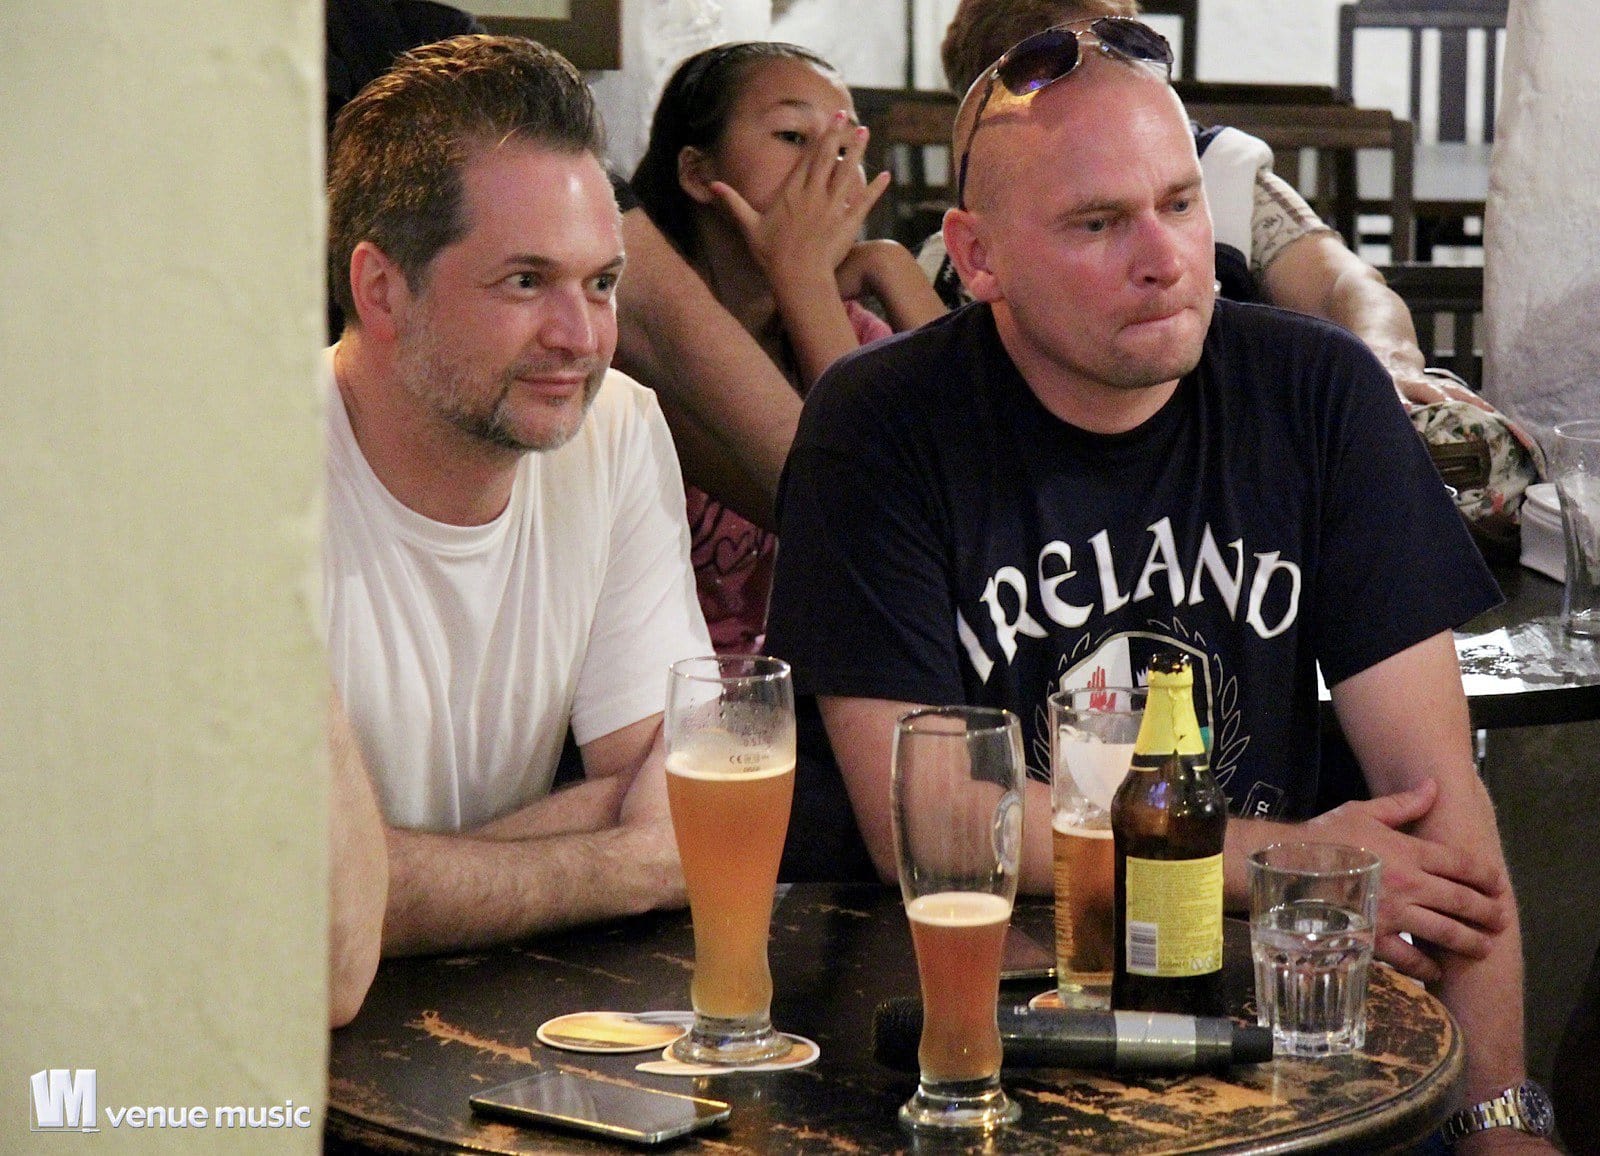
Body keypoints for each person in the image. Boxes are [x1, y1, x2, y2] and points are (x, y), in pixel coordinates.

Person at [765, 31, 1554, 1152]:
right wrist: (1278, 861)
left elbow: (1436, 815)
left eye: (1180, 204)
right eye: (1098, 224)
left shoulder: (1314, 391)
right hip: (977, 1041)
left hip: (1270, 1036)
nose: (1165, 258)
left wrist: (1501, 1115)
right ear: (977, 257)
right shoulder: (878, 424)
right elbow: (935, 822)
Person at [324, 35, 711, 955]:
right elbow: (297, 914)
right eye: (526, 282)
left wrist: (390, 874)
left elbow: (691, 814)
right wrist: (620, 855)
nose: (580, 337)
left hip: (522, 1020)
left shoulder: (613, 427)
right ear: (382, 290)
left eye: (601, 283)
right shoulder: (241, 480)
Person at [933, 0, 1449, 407]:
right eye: (1095, 223)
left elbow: (1344, 284)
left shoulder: (1222, 171)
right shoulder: (951, 260)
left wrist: (1386, 357)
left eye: (1113, 60)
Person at [630, 41, 946, 653]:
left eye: (847, 148)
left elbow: (966, 500)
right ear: (696, 172)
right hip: (673, 692)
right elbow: (862, 515)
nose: (831, 167)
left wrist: (889, 264)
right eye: (794, 137)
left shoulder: (846, 328)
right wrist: (802, 274)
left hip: (793, 690)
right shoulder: (647, 347)